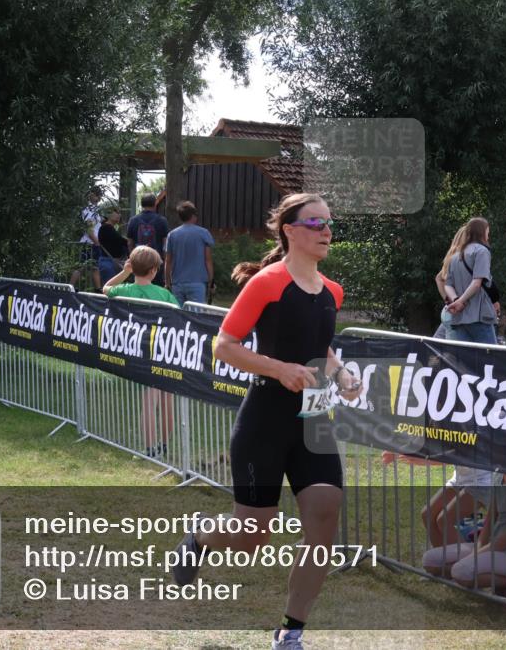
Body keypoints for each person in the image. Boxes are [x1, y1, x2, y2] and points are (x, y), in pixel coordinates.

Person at [169, 193, 362, 650]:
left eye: (329, 223)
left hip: (313, 419)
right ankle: (199, 539)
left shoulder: (333, 292)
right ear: (290, 231)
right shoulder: (267, 283)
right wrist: (279, 369)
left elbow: (320, 346)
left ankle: (290, 632)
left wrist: (341, 373)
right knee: (252, 534)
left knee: (324, 519)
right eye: (315, 223)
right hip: (265, 419)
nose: (326, 231)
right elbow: (224, 345)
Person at [422, 473, 506, 602]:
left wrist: (475, 555)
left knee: (461, 572)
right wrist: (478, 548)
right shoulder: (498, 476)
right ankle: (494, 575)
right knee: (429, 560)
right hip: (496, 546)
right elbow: (489, 521)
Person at [102, 246, 180, 457]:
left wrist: (124, 272)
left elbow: (106, 288)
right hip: (163, 350)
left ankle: (150, 447)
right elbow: (179, 317)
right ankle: (164, 444)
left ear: (132, 266)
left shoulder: (124, 290)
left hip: (139, 349)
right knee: (166, 399)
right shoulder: (164, 294)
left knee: (149, 400)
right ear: (154, 270)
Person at [439, 217, 498, 345]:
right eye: (488, 231)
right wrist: (461, 301)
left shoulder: (455, 256)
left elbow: (447, 285)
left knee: (463, 356)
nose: (488, 235)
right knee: (489, 355)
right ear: (482, 231)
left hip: (458, 317)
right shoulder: (481, 251)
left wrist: (455, 300)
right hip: (479, 316)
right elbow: (477, 283)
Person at [165, 201, 215, 306]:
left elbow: (168, 261)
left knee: (177, 313)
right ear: (193, 216)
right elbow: (208, 260)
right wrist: (211, 281)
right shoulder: (204, 233)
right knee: (195, 314)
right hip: (197, 282)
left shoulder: (172, 235)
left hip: (177, 282)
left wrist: (167, 282)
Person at [126, 194, 170, 286]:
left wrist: (132, 258)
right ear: (155, 204)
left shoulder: (133, 220)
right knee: (156, 289)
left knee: (139, 288)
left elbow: (130, 243)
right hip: (156, 262)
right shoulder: (162, 220)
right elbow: (165, 243)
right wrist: (164, 260)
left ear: (142, 204)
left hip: (138, 261)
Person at [69, 187, 103, 289]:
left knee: (95, 268)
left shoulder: (97, 210)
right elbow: (89, 229)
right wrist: (97, 242)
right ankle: (69, 287)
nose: (97, 197)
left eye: (98, 195)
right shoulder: (87, 210)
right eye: (95, 194)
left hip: (95, 243)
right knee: (81, 267)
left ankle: (98, 290)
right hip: (89, 243)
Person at [97, 206, 128, 283]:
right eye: (116, 212)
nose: (119, 215)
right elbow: (121, 241)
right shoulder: (106, 228)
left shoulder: (110, 228)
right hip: (108, 262)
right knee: (110, 287)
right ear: (108, 215)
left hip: (111, 262)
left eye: (119, 213)